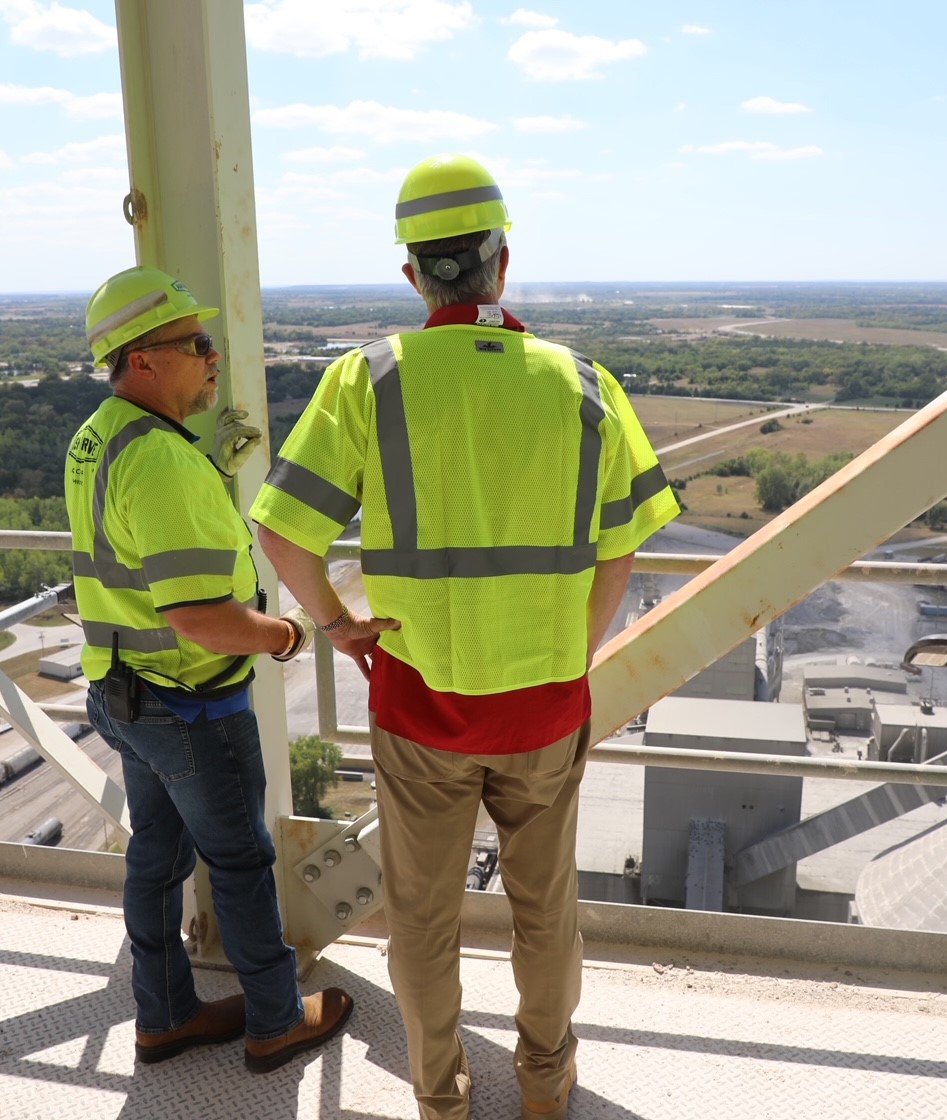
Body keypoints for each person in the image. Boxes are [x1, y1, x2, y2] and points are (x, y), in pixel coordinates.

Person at [250, 157, 679, 1120]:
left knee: (425, 922)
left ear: (413, 276)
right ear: (503, 261)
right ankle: (544, 1084)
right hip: (542, 706)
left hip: (420, 708)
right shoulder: (584, 385)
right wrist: (570, 650)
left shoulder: (368, 381)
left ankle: (441, 1099)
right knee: (545, 911)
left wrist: (338, 626)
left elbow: (281, 531)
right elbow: (624, 547)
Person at [66, 265, 353, 1072]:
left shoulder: (98, 437)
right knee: (240, 862)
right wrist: (290, 637)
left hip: (124, 694)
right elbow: (200, 617)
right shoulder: (162, 463)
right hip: (192, 705)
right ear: (144, 359)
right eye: (196, 344)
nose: (214, 357)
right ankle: (274, 1020)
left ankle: (163, 1017)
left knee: (156, 858)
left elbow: (142, 556)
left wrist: (211, 474)